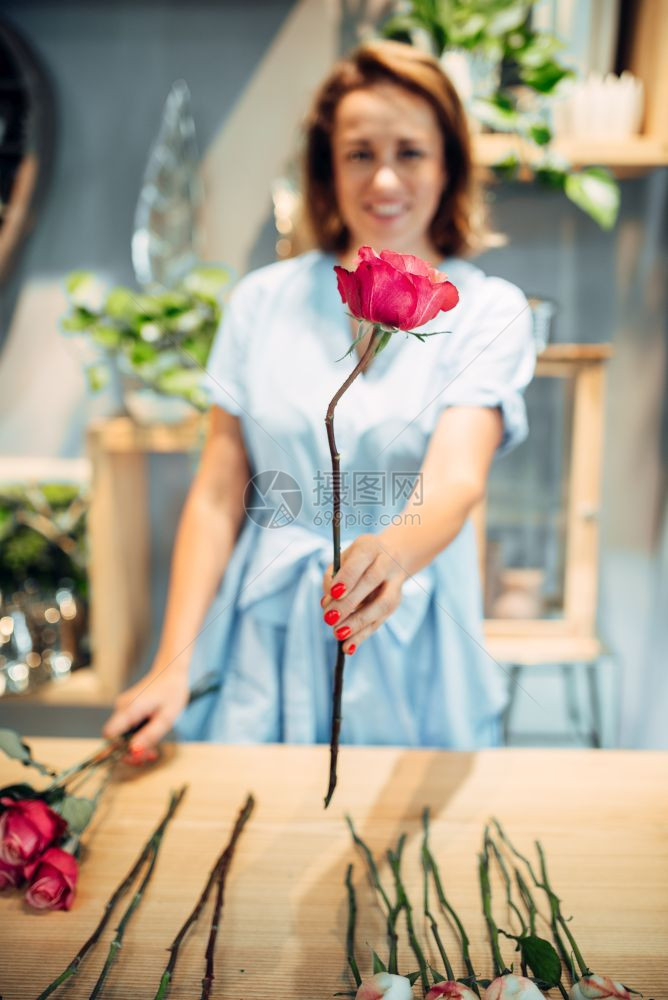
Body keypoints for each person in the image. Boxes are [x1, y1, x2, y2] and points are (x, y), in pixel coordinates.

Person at [103, 40, 535, 756]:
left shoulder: (490, 310)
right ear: (328, 171)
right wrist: (169, 666)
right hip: (260, 637)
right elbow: (217, 492)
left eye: (412, 152)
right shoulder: (258, 302)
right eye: (360, 153)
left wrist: (388, 560)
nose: (385, 178)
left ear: (450, 164)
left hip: (412, 628)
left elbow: (458, 479)